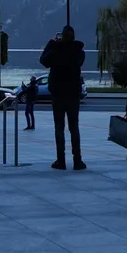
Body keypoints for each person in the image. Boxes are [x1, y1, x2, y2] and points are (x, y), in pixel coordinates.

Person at [40, 25, 86, 170]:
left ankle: (61, 160)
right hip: (73, 94)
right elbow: (79, 61)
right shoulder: (78, 52)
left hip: (58, 94)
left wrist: (52, 43)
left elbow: (43, 60)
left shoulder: (56, 50)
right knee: (74, 127)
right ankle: (77, 160)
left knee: (59, 127)